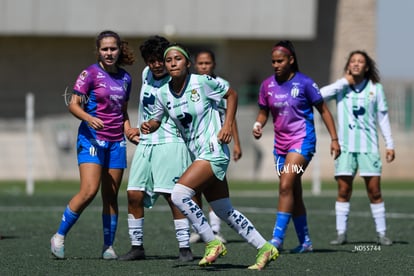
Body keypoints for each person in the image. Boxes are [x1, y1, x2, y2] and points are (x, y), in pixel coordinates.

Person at [141, 43, 278, 270]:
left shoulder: (201, 82)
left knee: (179, 194)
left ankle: (212, 242)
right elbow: (156, 119)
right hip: (198, 153)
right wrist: (147, 127)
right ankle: (265, 247)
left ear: (187, 63)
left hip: (214, 150)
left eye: (177, 59)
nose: (172, 63)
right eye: (168, 60)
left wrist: (226, 126)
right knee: (225, 210)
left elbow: (231, 94)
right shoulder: (163, 92)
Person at [50, 30, 136, 260]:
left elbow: (123, 111)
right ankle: (59, 236)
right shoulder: (90, 73)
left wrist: (128, 130)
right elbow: (73, 104)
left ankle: (108, 246)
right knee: (89, 191)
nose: (109, 53)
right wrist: (89, 118)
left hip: (116, 142)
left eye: (113, 48)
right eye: (105, 49)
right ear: (98, 50)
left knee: (111, 195)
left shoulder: (126, 78)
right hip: (91, 139)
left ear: (119, 50)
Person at [252, 40, 341, 253]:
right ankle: (305, 242)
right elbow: (264, 112)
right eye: (273, 61)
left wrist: (334, 139)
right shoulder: (267, 85)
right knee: (293, 191)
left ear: (291, 60)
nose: (276, 65)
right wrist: (258, 124)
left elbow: (324, 111)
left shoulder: (305, 83)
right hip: (280, 146)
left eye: (280, 60)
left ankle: (276, 239)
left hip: (302, 143)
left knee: (285, 185)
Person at [118, 35, 194, 262]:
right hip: (145, 143)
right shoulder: (145, 75)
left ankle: (185, 249)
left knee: (173, 196)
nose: (157, 64)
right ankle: (137, 247)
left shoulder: (179, 79)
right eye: (151, 60)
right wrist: (131, 128)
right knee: (133, 193)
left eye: (160, 59)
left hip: (171, 143)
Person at [320, 50, 395, 246]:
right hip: (345, 148)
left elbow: (383, 118)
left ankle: (381, 233)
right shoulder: (341, 88)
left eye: (360, 61)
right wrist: (344, 81)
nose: (356, 64)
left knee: (375, 192)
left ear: (367, 67)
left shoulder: (375, 89)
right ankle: (341, 233)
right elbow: (319, 96)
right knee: (344, 191)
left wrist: (390, 144)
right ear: (348, 66)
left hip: (369, 148)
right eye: (352, 61)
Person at [189, 49, 243, 244]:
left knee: (214, 184)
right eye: (201, 63)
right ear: (195, 65)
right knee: (194, 188)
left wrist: (237, 143)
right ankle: (199, 228)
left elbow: (231, 116)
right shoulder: (191, 85)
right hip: (195, 142)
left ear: (214, 64)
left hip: (217, 142)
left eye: (207, 63)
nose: (204, 67)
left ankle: (215, 229)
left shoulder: (222, 85)